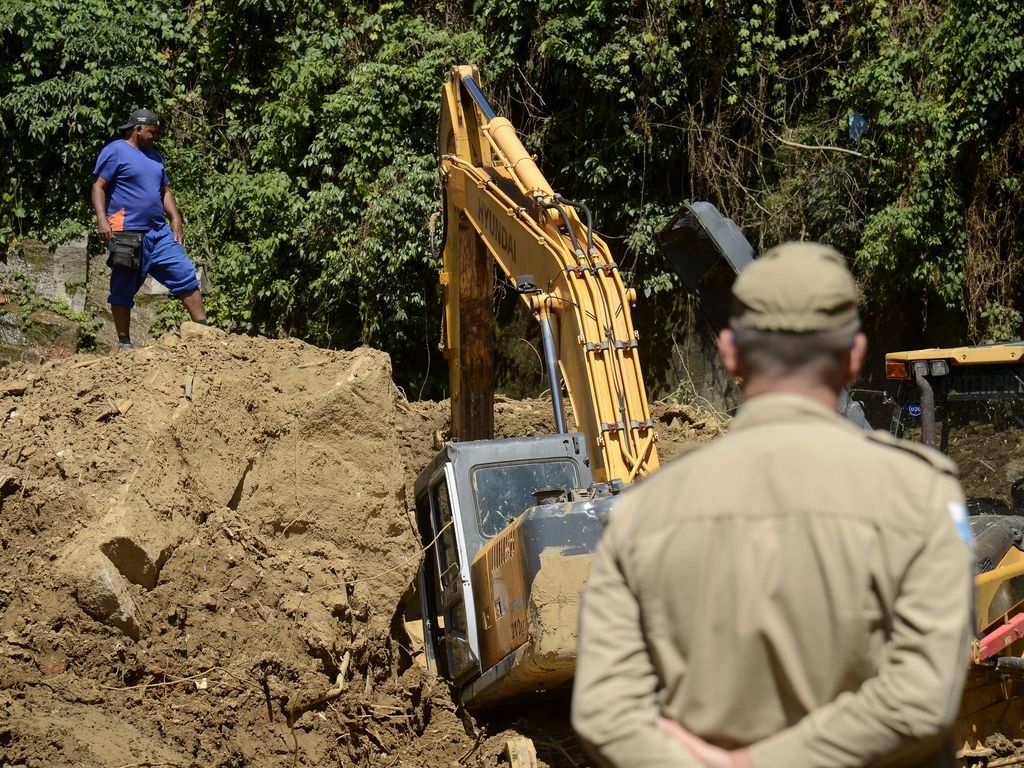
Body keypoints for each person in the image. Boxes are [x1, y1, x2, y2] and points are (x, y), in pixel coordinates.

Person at [571, 242, 974, 768]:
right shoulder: (922, 496)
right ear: (854, 355)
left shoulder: (643, 514)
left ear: (731, 352)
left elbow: (604, 711)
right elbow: (920, 699)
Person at [91, 108, 207, 351]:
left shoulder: (155, 156)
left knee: (185, 275)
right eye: (152, 132)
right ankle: (124, 343)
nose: (155, 136)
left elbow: (164, 191)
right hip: (126, 233)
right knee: (123, 288)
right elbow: (99, 187)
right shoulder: (115, 151)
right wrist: (102, 219)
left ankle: (206, 332)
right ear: (138, 129)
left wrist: (175, 218)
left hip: (159, 232)